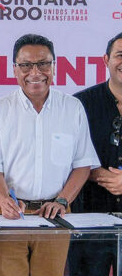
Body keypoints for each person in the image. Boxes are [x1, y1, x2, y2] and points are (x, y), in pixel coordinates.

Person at [0, 34, 100, 276]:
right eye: (26, 65)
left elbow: (83, 164)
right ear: (14, 69)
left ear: (54, 66)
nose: (35, 72)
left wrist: (62, 200)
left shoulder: (72, 108)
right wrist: (3, 200)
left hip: (56, 214)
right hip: (9, 215)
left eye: (43, 63)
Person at [68, 32, 122, 276]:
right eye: (120, 55)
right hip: (89, 222)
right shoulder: (79, 104)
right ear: (106, 60)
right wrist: (100, 175)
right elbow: (64, 157)